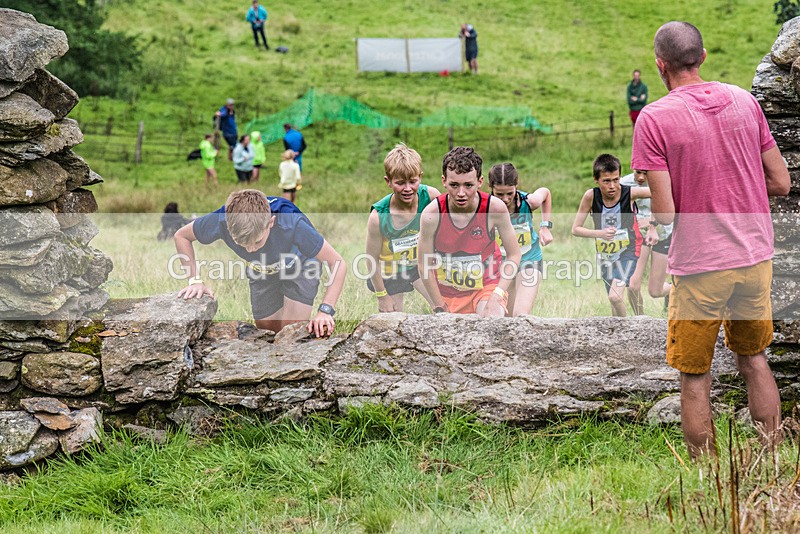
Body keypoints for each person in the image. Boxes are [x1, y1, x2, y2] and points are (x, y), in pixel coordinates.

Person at [631, 21, 791, 459]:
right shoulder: (744, 100)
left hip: (701, 266)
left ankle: (706, 475)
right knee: (754, 358)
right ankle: (772, 455)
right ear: (701, 57)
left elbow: (665, 213)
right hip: (755, 257)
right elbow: (781, 181)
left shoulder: (654, 118)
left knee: (695, 374)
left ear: (660, 66)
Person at [174, 190, 346, 336]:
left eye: (257, 242)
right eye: (242, 243)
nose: (250, 250)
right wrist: (195, 281)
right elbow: (181, 236)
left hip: (301, 266)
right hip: (262, 270)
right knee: (268, 335)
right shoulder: (221, 219)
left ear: (270, 223)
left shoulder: (291, 223)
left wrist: (325, 310)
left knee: (290, 334)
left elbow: (338, 263)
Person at [418, 146, 520, 316]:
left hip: (487, 286)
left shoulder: (494, 208)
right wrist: (438, 306)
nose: (461, 193)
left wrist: (498, 293)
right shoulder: (431, 215)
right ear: (444, 181)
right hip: (447, 292)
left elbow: (514, 255)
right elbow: (423, 265)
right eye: (454, 185)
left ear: (480, 182)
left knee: (491, 323)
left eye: (468, 185)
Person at [571, 154, 650, 317]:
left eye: (616, 179)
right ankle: (625, 332)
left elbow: (660, 192)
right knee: (614, 303)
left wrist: (653, 220)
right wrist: (599, 233)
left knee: (615, 296)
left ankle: (634, 326)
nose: (612, 185)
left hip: (629, 251)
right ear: (596, 179)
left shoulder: (630, 193)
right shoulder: (590, 196)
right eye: (606, 181)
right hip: (606, 253)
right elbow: (576, 229)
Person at [365, 143, 440, 312]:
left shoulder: (431, 197)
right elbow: (371, 260)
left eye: (412, 181)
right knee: (392, 319)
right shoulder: (378, 217)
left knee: (442, 306)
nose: (407, 188)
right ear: (388, 181)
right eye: (400, 183)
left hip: (419, 266)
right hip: (390, 273)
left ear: (420, 177)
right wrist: (382, 296)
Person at [488, 163, 553, 316]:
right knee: (507, 316)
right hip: (503, 266)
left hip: (529, 260)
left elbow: (546, 193)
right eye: (499, 194)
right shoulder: (486, 208)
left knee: (520, 314)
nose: (505, 199)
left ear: (517, 184)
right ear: (490, 187)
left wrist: (545, 226)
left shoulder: (528, 202)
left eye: (510, 193)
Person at [621, 169, 672, 313]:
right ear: (632, 168)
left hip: (662, 233)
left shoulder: (663, 181)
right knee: (632, 285)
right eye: (638, 172)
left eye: (646, 173)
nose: (642, 177)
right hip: (639, 236)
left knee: (655, 291)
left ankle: (672, 291)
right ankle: (640, 321)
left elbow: (665, 207)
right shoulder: (624, 184)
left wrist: (652, 224)